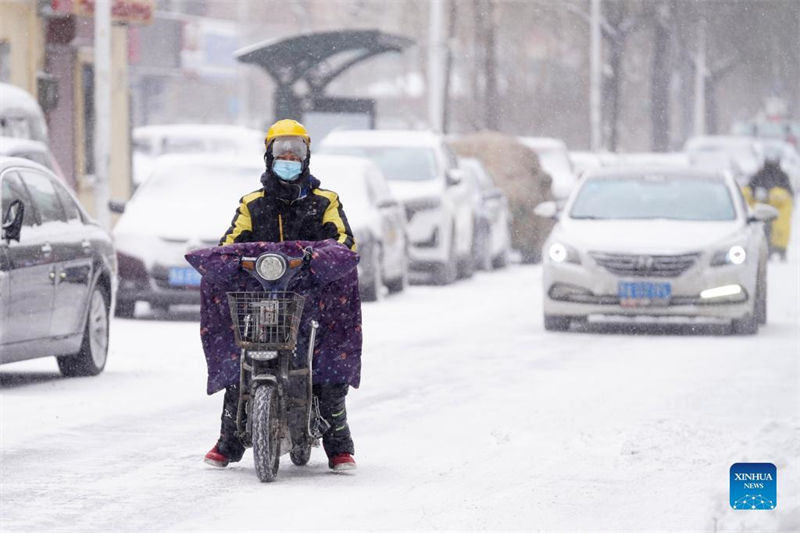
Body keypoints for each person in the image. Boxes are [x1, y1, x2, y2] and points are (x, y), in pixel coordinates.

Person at [204, 119, 358, 472]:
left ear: (306, 156)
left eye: (296, 150)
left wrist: (314, 257)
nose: (288, 157)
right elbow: (228, 245)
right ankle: (229, 441)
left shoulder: (325, 201)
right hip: (260, 301)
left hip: (312, 301)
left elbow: (345, 243)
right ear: (268, 155)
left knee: (328, 366)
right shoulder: (252, 204)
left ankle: (339, 445)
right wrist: (239, 259)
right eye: (280, 150)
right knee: (240, 363)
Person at [745, 150, 794, 261]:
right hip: (762, 209)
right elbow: (749, 189)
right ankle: (770, 248)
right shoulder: (759, 175)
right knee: (763, 228)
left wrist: (775, 196)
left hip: (778, 210)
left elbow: (788, 194)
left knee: (779, 229)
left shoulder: (782, 176)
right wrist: (756, 194)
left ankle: (779, 248)